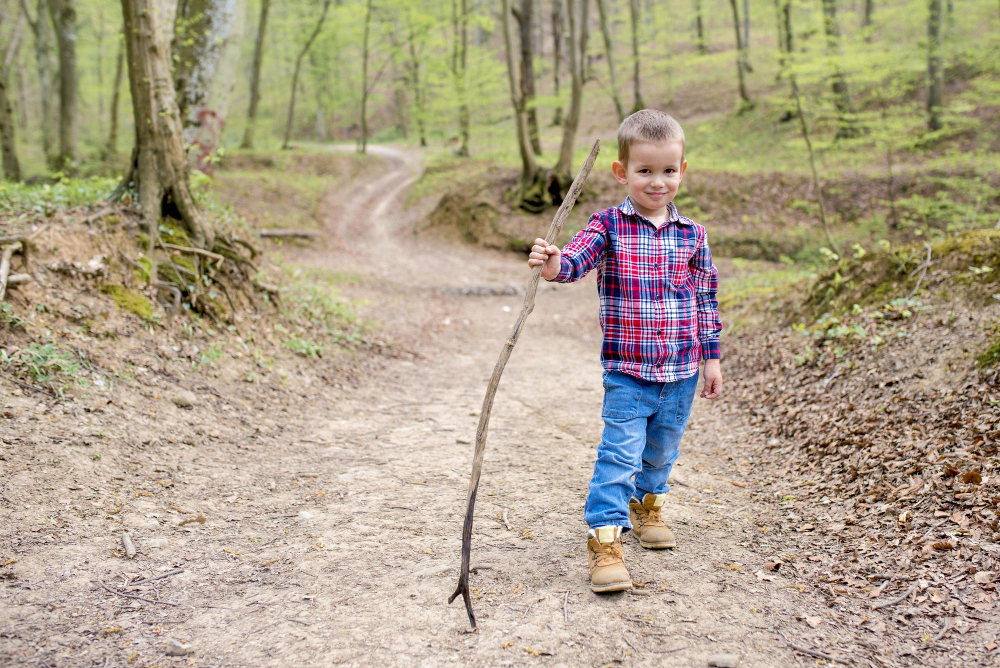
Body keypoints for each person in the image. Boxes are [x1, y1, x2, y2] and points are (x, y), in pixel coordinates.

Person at [527, 109, 723, 593]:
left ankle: (648, 504)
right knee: (620, 454)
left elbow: (705, 297)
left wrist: (711, 357)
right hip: (628, 373)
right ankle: (605, 538)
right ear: (622, 172)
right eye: (645, 171)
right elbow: (573, 263)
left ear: (682, 171)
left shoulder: (692, 234)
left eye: (669, 171)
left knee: (661, 453)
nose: (658, 182)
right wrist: (552, 264)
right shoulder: (608, 225)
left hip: (681, 371)